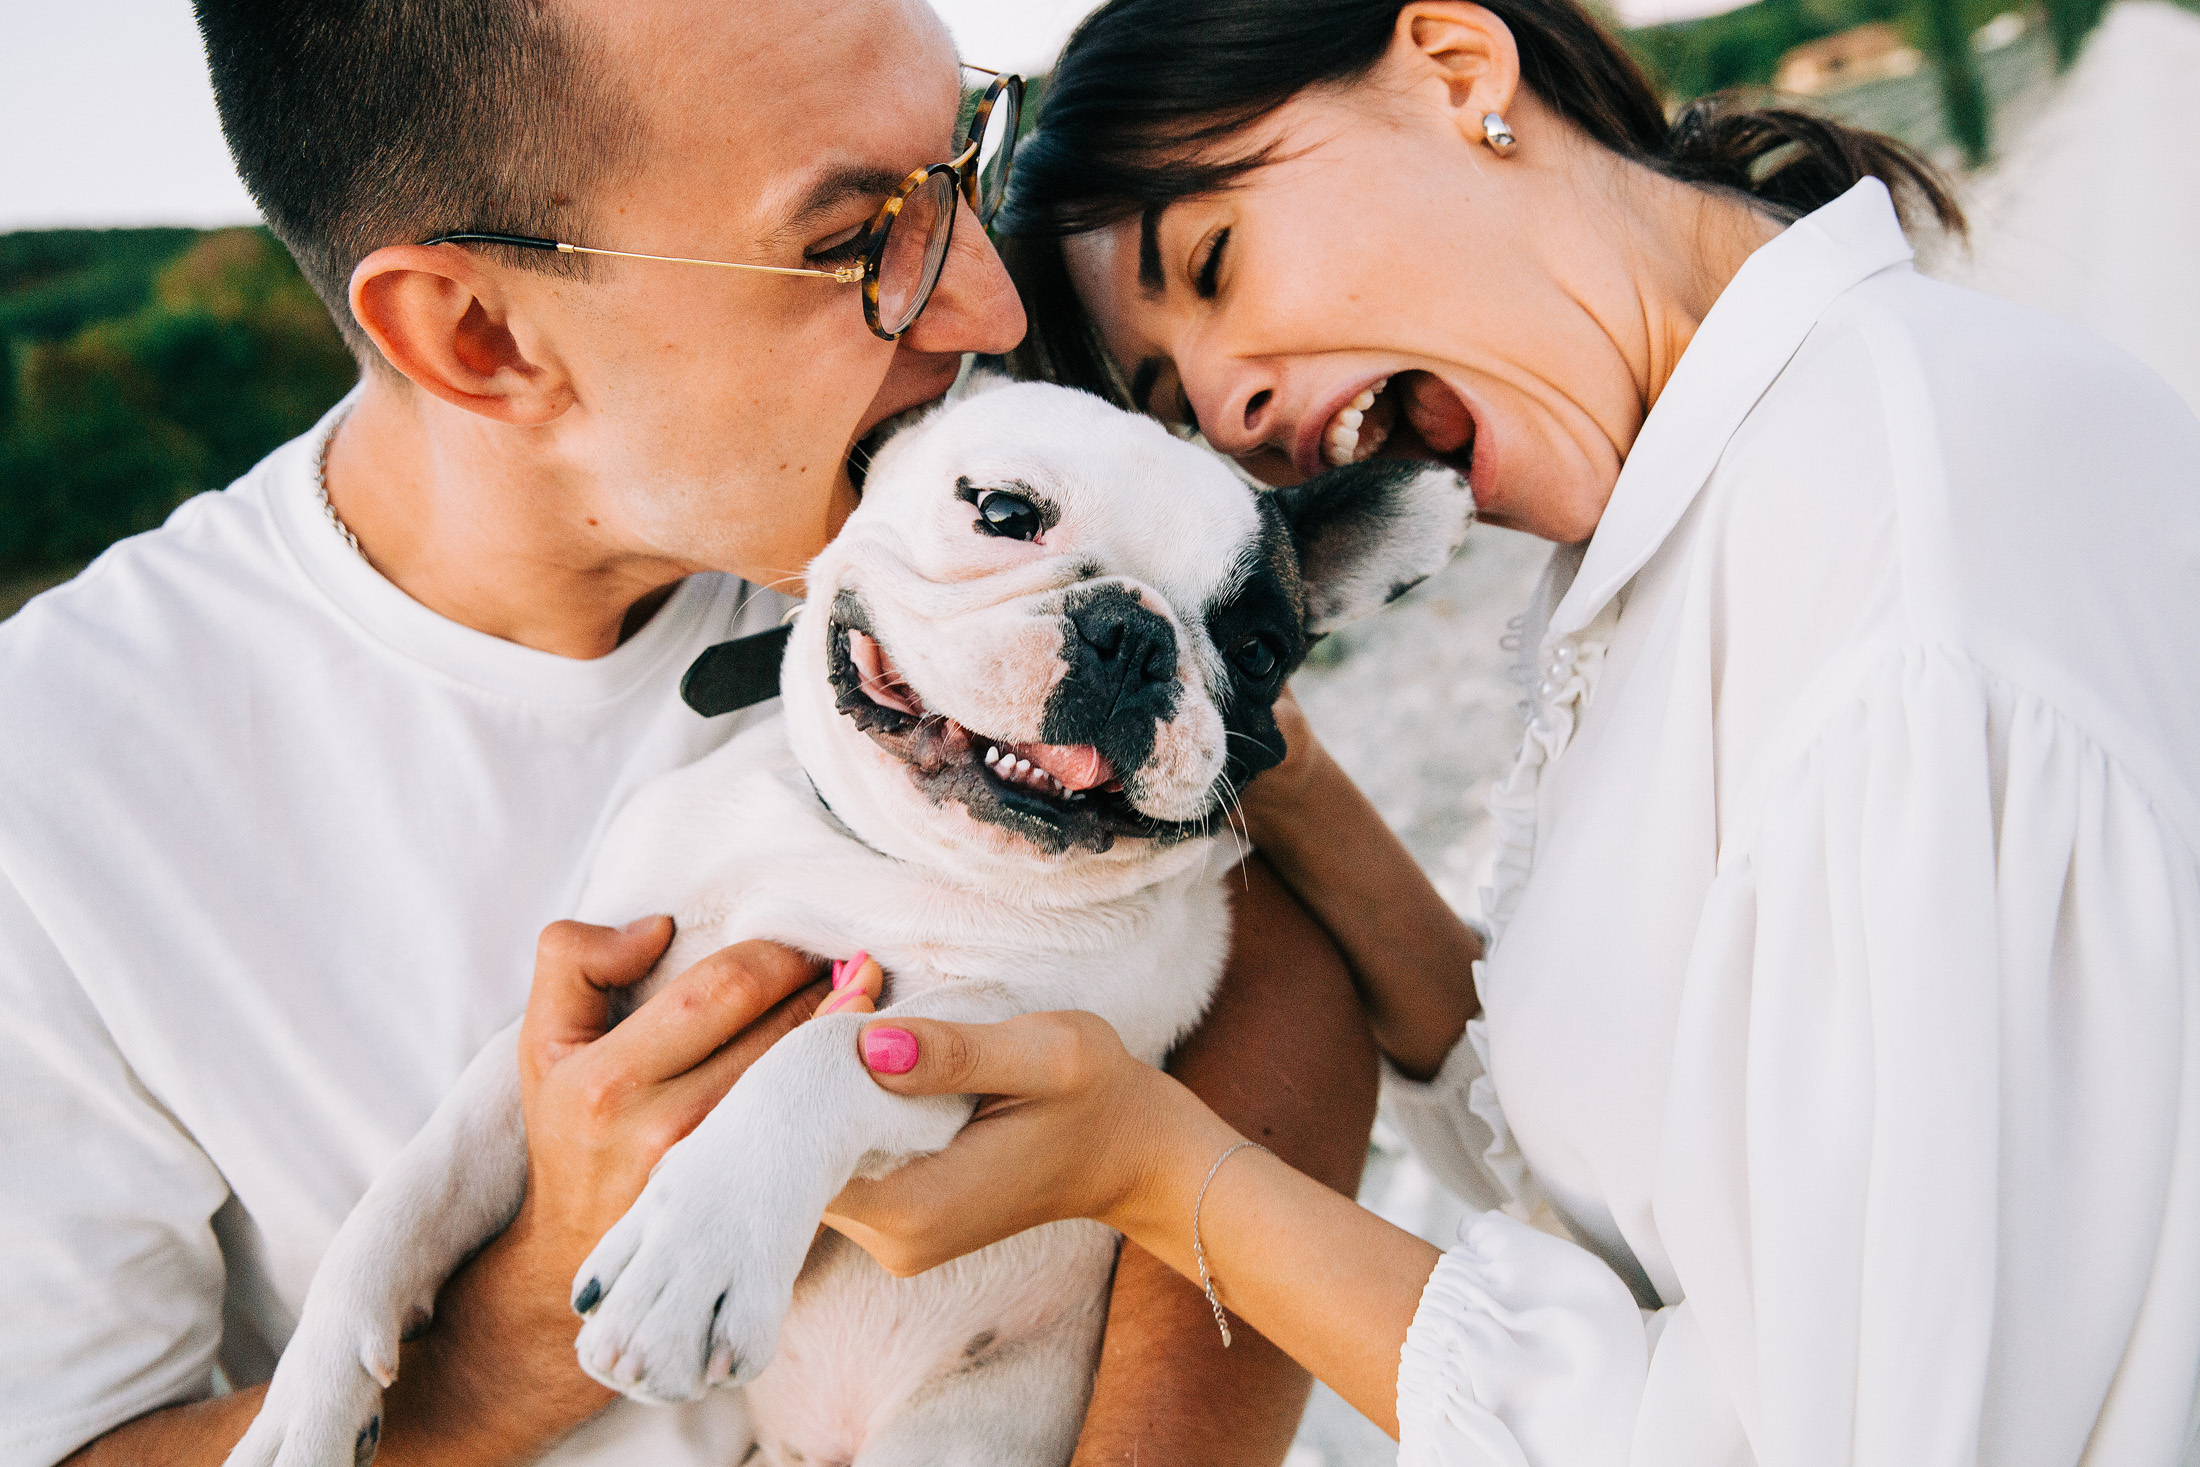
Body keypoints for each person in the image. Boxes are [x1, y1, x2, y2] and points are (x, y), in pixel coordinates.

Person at [0, 2, 1387, 1464]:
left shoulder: (988, 470)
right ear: (481, 334)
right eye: (858, 239)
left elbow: (1286, 959)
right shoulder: (54, 784)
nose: (985, 304)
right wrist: (540, 1310)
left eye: (967, 163)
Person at [824, 1, 2200, 1462]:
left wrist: (1161, 1175)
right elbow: (1635, 1179)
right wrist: (1248, 769)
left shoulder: (1893, 595)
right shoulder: (1730, 504)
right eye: (1175, 404)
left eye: (1216, 262)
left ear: (1458, 71)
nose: (1233, 410)